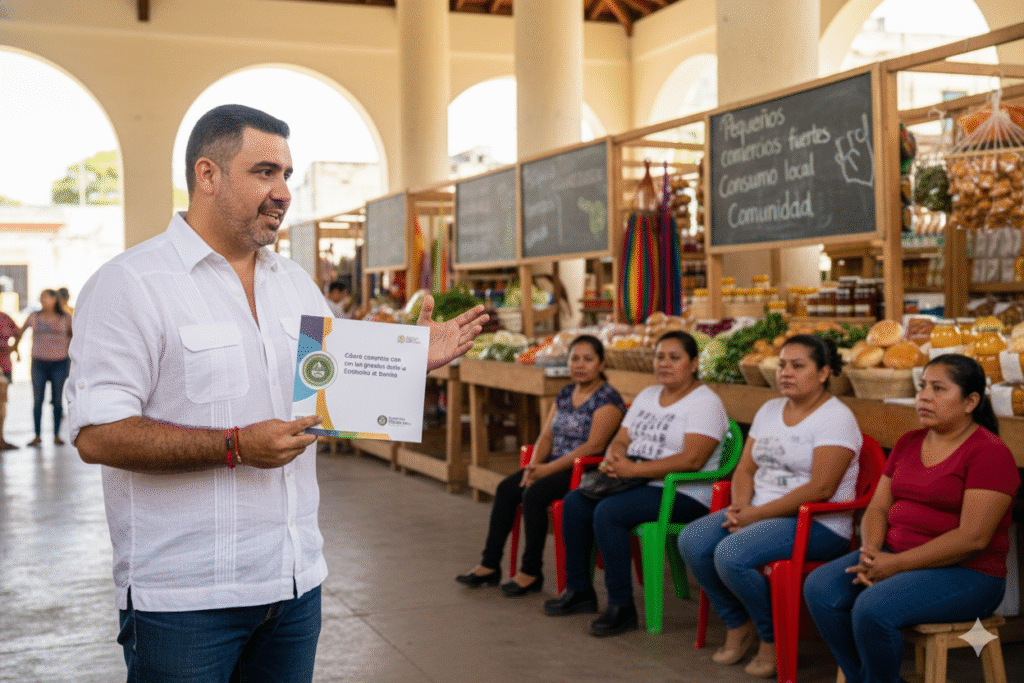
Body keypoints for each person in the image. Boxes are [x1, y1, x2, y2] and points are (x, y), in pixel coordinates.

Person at [66, 104, 487, 683]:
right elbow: (98, 434)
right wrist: (235, 445)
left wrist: (410, 360)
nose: (283, 192)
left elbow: (331, 393)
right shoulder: (130, 284)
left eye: (288, 175)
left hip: (294, 584)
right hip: (186, 601)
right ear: (207, 175)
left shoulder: (294, 284)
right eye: (265, 172)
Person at [803, 354, 1020, 683]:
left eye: (938, 389)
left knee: (873, 608)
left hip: (969, 575)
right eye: (922, 388)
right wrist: (872, 552)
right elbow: (877, 508)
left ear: (971, 401)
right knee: (820, 588)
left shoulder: (989, 453)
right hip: (894, 556)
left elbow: (972, 538)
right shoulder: (908, 442)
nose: (924, 397)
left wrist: (895, 565)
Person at [677, 334, 862, 678]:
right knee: (693, 539)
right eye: (782, 365)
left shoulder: (836, 418)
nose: (786, 373)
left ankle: (771, 637)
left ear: (823, 373)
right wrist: (741, 507)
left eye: (798, 366)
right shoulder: (769, 409)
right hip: (758, 512)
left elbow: (822, 487)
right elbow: (746, 467)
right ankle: (737, 622)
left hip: (818, 524)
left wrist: (755, 516)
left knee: (731, 554)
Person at [544, 330, 730, 637]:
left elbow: (692, 460)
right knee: (576, 502)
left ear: (694, 363)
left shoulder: (705, 403)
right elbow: (620, 439)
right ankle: (579, 591)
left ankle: (622, 606)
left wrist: (633, 471)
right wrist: (615, 459)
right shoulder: (647, 395)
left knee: (609, 512)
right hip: (634, 480)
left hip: (682, 492)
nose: (665, 364)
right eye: (660, 357)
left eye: (675, 358)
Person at [456, 335, 626, 596]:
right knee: (506, 489)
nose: (580, 365)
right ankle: (490, 565)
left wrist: (547, 469)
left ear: (602, 364)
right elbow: (547, 435)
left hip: (584, 470)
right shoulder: (566, 393)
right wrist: (533, 466)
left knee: (533, 494)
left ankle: (531, 571)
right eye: (574, 359)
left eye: (588, 359)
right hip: (551, 465)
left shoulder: (608, 399)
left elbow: (593, 446)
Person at [13, 289, 73, 446]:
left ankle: (56, 435)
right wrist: (16, 349)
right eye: (41, 299)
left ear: (54, 300)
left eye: (45, 298)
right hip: (38, 363)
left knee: (58, 401)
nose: (42, 301)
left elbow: (74, 337)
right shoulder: (34, 317)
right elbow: (20, 332)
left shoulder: (65, 318)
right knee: (37, 400)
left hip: (59, 363)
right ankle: (37, 435)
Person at [0, 308, 19, 450]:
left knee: (2, 404)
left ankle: (1, 439)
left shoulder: (4, 317)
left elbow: (18, 332)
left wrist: (14, 348)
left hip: (4, 366)